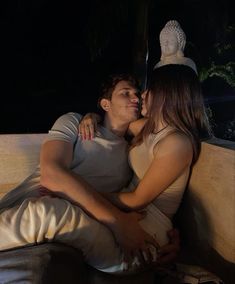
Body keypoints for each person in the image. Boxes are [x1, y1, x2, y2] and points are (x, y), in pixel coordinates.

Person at [0, 74, 179, 275]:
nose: (136, 98)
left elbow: (172, 138)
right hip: (22, 209)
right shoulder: (73, 122)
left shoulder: (131, 153)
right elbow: (52, 173)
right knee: (45, 212)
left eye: (137, 94)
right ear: (105, 104)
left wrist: (171, 237)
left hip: (71, 225)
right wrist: (119, 222)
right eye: (125, 93)